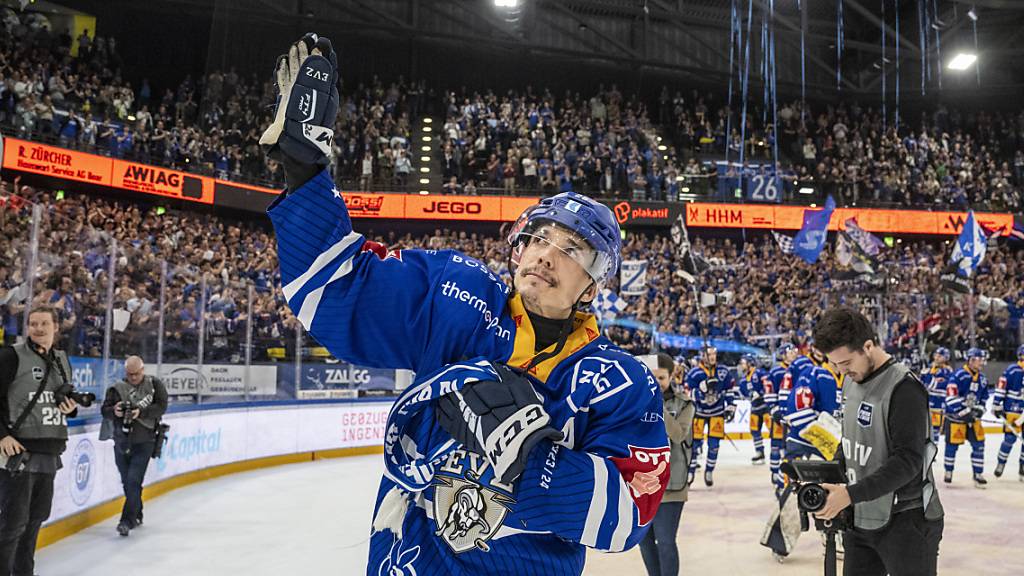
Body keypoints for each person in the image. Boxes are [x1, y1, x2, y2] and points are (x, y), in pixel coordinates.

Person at [261, 35, 669, 576]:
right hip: (411, 559)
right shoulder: (455, 295)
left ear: (592, 286)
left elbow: (627, 517)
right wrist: (304, 165)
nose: (547, 255)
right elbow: (336, 289)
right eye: (540, 238)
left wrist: (527, 458)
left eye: (571, 249)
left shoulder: (621, 382)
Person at [812, 307, 944, 576]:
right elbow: (850, 443)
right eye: (834, 364)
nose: (840, 371)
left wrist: (849, 494)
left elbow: (908, 462)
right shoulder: (850, 382)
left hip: (908, 520)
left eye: (846, 363)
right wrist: (825, 477)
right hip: (861, 518)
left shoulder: (904, 388)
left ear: (868, 346)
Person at [0, 306, 79, 576]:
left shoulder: (61, 359)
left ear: (56, 327)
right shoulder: (11, 356)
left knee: (35, 521)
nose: (38, 328)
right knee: (13, 524)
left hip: (49, 451)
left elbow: (66, 399)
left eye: (44, 323)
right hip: (19, 451)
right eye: (33, 323)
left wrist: (71, 408)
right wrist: (2, 434)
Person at [639, 353, 694, 576]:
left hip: (672, 485)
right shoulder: (635, 403)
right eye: (652, 378)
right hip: (641, 484)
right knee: (644, 541)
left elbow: (678, 434)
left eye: (661, 378)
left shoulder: (684, 404)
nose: (656, 382)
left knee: (666, 541)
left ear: (671, 376)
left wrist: (655, 405)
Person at [101, 356, 168, 536]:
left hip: (145, 442)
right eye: (130, 375)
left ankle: (126, 520)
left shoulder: (154, 386)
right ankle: (137, 513)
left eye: (136, 374)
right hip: (121, 442)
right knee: (128, 482)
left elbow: (162, 406)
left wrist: (142, 412)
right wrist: (113, 411)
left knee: (133, 480)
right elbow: (104, 410)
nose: (133, 378)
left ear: (143, 370)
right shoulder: (116, 389)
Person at [684, 346, 736, 487]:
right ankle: (690, 471)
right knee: (694, 445)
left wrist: (731, 406)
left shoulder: (723, 371)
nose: (712, 357)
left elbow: (729, 390)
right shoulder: (694, 373)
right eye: (709, 355)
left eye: (714, 354)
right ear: (702, 356)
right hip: (699, 413)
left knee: (714, 446)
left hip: (717, 412)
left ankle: (709, 471)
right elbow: (688, 393)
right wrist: (703, 387)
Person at [943, 347, 989, 487]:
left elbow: (983, 400)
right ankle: (948, 471)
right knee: (952, 446)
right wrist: (964, 411)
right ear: (971, 360)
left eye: (982, 359)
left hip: (973, 419)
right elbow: (950, 398)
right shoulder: (958, 375)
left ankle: (978, 473)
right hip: (957, 418)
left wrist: (979, 411)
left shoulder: (982, 379)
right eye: (979, 359)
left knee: (979, 445)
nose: (981, 362)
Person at [765, 344, 798, 489]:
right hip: (779, 417)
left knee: (789, 448)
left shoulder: (799, 370)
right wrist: (774, 410)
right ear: (783, 355)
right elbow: (769, 392)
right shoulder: (776, 371)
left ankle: (785, 476)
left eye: (794, 352)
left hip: (793, 417)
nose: (793, 354)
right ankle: (774, 472)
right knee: (776, 446)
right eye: (790, 352)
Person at [992, 344, 1024, 480]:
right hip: (1013, 409)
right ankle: (1001, 463)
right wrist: (996, 404)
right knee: (1009, 439)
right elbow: (1001, 387)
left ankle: (1022, 466)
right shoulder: (1013, 370)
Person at [737, 353, 770, 465]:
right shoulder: (742, 380)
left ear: (750, 363)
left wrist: (761, 393)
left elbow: (768, 385)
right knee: (754, 430)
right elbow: (744, 393)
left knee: (773, 430)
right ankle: (759, 452)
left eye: (743, 363)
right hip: (755, 408)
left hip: (766, 406)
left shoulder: (759, 373)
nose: (741, 365)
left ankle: (780, 450)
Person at [920, 348, 953, 443]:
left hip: (937, 406)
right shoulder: (930, 369)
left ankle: (932, 455)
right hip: (925, 404)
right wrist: (923, 375)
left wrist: (927, 377)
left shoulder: (947, 372)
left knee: (934, 432)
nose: (936, 357)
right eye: (936, 355)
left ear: (946, 358)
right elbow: (921, 385)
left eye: (940, 356)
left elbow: (936, 386)